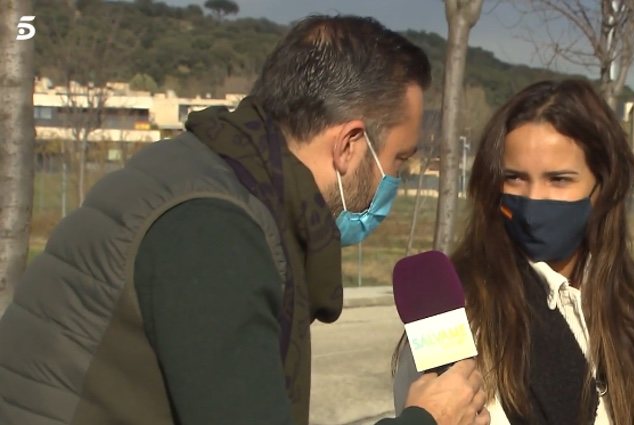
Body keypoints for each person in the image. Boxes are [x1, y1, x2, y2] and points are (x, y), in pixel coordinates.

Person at [0, 15, 489, 425]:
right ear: (349, 145)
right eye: (399, 160)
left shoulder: (207, 176)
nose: (396, 182)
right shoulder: (214, 232)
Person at [393, 79, 634, 425]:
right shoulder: (451, 313)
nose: (533, 200)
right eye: (514, 178)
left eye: (559, 179)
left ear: (603, 187)